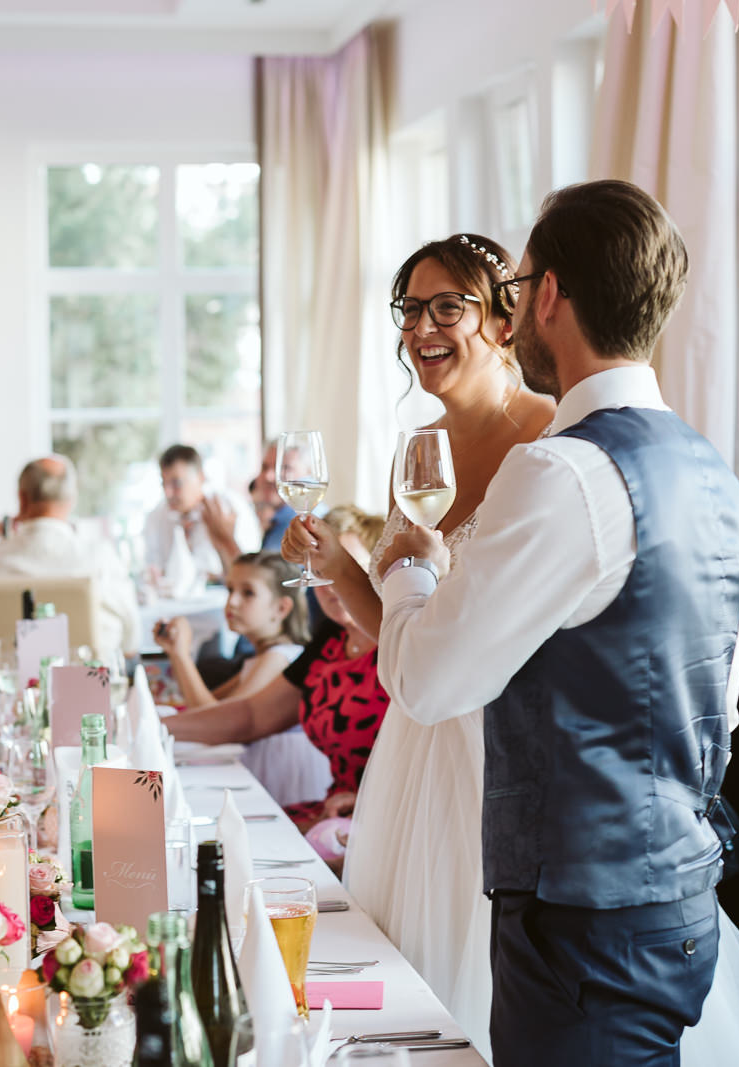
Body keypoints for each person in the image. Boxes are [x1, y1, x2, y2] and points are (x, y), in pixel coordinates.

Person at [373, 181, 739, 1066]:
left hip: (581, 924)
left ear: (546, 295)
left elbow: (431, 684)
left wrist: (409, 570)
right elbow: (719, 712)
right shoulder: (714, 479)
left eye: (517, 292)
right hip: (677, 898)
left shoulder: (562, 472)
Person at [280, 231, 553, 1053]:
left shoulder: (548, 440)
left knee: (488, 975)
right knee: (409, 976)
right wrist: (339, 563)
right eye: (410, 310)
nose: (422, 328)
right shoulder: (418, 452)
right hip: (415, 743)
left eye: (447, 307)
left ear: (504, 320)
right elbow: (396, 623)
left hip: (498, 746)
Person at [166, 507, 388, 833]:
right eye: (321, 569)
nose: (331, 584)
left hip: (381, 817)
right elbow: (251, 716)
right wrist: (154, 725)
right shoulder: (330, 642)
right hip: (333, 811)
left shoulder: (399, 645)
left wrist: (370, 801)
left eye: (348, 568)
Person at [156, 551, 327, 807]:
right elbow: (205, 713)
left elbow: (216, 720)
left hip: (282, 778)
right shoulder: (259, 658)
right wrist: (175, 652)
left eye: (248, 593)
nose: (232, 602)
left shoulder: (279, 658)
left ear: (281, 607)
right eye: (230, 590)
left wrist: (182, 656)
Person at [0, 455, 142, 662]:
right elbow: (131, 643)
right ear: (71, 501)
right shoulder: (101, 559)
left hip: (8, 691)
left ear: (22, 499)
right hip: (91, 691)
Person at [143, 444, 260, 586]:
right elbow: (153, 566)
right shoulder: (157, 516)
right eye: (164, 484)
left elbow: (250, 569)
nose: (168, 493)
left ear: (200, 477)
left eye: (176, 483)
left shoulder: (229, 507)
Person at [250, 439, 296, 554]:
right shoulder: (275, 521)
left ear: (310, 474)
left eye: (283, 468)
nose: (268, 476)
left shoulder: (303, 523)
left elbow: (266, 573)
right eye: (264, 467)